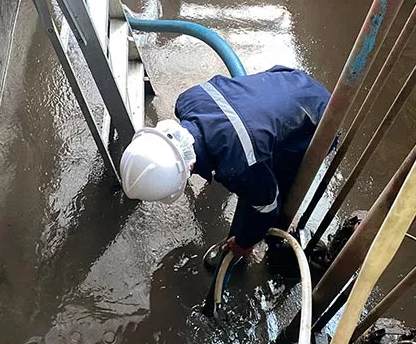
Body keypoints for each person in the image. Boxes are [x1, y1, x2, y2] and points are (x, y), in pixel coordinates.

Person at [120, 65, 331, 260]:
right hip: (290, 79)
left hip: (321, 120)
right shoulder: (188, 100)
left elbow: (267, 206)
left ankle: (274, 239)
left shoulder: (238, 166)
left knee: (273, 191)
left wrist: (244, 243)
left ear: (187, 170)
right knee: (255, 175)